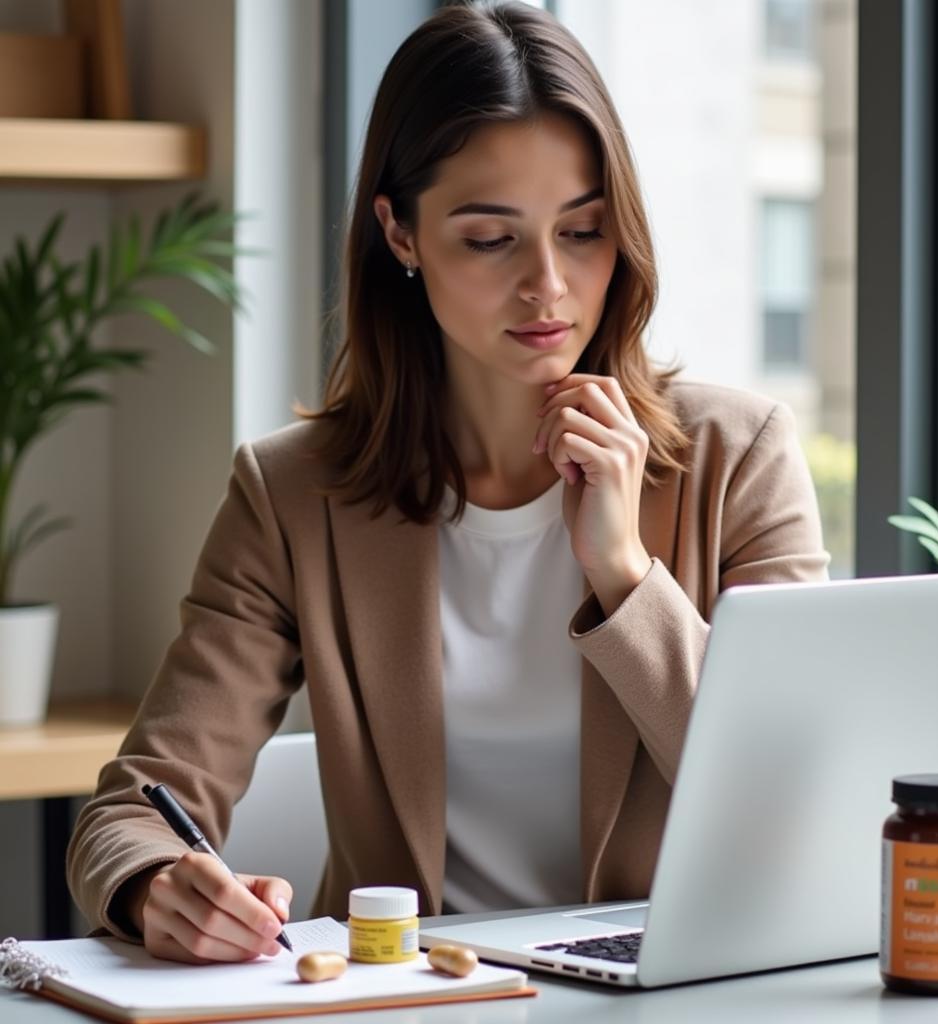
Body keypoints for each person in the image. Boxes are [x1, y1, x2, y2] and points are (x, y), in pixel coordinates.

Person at [68, 0, 829, 965]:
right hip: (418, 996)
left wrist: (626, 575)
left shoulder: (738, 454)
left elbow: (792, 796)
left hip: (679, 992)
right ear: (400, 233)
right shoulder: (294, 495)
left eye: (584, 230)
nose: (548, 285)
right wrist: (153, 886)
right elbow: (134, 805)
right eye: (489, 238)